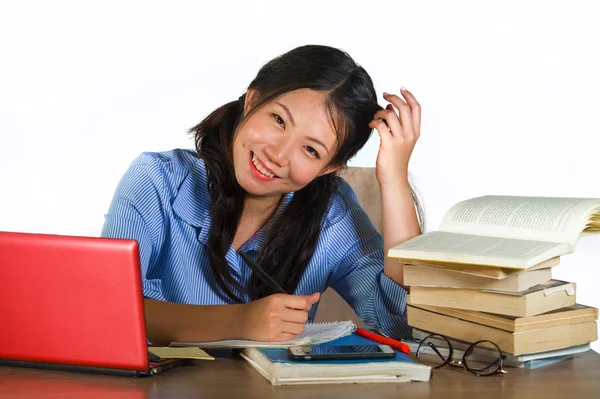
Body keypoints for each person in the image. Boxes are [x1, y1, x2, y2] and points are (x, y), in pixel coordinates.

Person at [101, 45, 424, 345]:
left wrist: (394, 177)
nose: (278, 155)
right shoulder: (158, 180)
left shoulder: (332, 214)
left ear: (329, 167)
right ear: (252, 101)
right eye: (279, 120)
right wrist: (238, 322)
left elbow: (402, 324)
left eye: (311, 150)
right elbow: (107, 309)